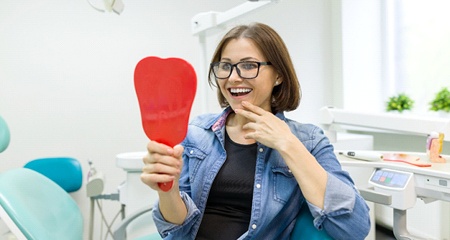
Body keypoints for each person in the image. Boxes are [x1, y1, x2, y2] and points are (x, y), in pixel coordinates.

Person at [140, 22, 371, 240]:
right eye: (225, 66)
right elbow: (177, 229)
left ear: (278, 75)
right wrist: (167, 189)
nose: (233, 77)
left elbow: (355, 227)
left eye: (249, 65)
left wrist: (287, 144)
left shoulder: (308, 140)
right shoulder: (197, 133)